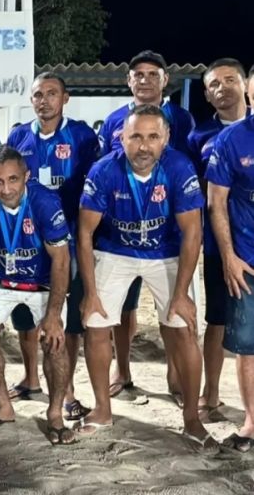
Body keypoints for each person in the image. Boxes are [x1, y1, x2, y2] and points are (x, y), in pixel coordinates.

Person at [77, 105, 213, 448]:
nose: (143, 145)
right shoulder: (104, 170)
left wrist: (181, 294)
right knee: (95, 323)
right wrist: (90, 293)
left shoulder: (179, 167)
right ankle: (102, 410)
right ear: (122, 138)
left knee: (183, 328)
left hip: (166, 252)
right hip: (115, 250)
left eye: (153, 137)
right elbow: (85, 234)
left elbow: (192, 233)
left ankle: (192, 419)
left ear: (165, 139)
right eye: (135, 136)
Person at [97, 50, 195, 401]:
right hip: (121, 234)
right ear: (128, 81)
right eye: (138, 74)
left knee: (172, 310)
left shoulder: (181, 119)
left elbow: (187, 168)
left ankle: (175, 375)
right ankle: (122, 369)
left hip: (167, 234)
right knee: (123, 307)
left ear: (165, 80)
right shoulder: (114, 120)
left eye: (153, 74)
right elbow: (106, 169)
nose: (145, 80)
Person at [0, 146, 74, 444]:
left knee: (55, 342)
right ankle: (4, 406)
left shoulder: (45, 201)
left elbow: (61, 260)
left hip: (42, 283)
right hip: (0, 281)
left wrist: (53, 315)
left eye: (13, 179)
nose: (6, 189)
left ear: (26, 177)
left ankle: (55, 414)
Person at [6, 73, 99, 421]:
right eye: (37, 95)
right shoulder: (18, 136)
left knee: (67, 318)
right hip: (26, 238)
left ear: (65, 98)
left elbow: (93, 186)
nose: (44, 101)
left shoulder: (82, 135)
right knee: (26, 313)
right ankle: (31, 379)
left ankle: (67, 390)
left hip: (68, 239)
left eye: (51, 93)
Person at [187, 58, 249, 419]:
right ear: (208, 96)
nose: (222, 88)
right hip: (219, 246)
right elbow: (197, 196)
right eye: (213, 84)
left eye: (229, 80)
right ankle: (210, 395)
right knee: (218, 319)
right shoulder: (199, 138)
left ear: (245, 85)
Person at [206, 91, 254, 451]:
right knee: (248, 348)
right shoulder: (230, 139)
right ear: (250, 93)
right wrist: (228, 256)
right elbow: (216, 202)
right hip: (247, 262)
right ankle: (251, 422)